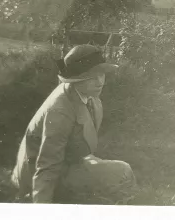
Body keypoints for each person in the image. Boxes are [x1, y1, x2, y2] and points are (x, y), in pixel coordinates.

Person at [11, 44, 136, 204]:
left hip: (68, 163)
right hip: (39, 176)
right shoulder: (60, 109)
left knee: (119, 173)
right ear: (77, 79)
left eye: (102, 74)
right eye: (92, 76)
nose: (100, 81)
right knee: (121, 171)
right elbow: (47, 165)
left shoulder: (90, 97)